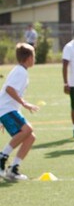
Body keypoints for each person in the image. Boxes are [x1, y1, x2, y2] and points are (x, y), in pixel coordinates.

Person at [0, 43, 39, 181]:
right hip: (6, 109)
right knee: (27, 129)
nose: (34, 58)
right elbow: (9, 89)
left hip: (8, 110)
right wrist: (24, 103)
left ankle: (13, 168)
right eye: (33, 56)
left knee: (30, 137)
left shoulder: (20, 70)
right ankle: (2, 157)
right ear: (28, 57)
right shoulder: (20, 72)